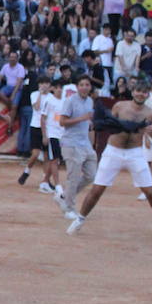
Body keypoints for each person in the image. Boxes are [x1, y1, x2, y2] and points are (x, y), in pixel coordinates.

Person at [66, 82, 152, 237]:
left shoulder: (149, 113)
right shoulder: (120, 106)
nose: (140, 94)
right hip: (114, 151)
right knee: (97, 189)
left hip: (135, 152)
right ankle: (79, 220)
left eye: (144, 92)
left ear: (148, 94)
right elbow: (107, 124)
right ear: (133, 92)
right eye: (138, 90)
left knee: (150, 191)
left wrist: (150, 131)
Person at [53, 76, 96, 220]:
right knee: (73, 177)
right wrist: (81, 119)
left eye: (87, 84)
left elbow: (89, 124)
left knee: (92, 175)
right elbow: (62, 121)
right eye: (82, 84)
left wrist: (92, 141)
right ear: (77, 87)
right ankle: (69, 208)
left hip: (85, 143)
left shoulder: (90, 101)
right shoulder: (70, 100)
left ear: (90, 87)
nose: (84, 87)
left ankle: (64, 196)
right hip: (71, 143)